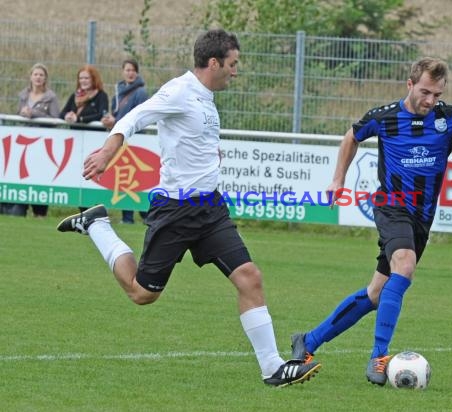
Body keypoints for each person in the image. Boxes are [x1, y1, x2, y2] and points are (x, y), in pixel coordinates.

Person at [56, 29, 321, 387]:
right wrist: (107, 153)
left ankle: (272, 367)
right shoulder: (178, 91)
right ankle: (97, 225)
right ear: (214, 63)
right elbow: (133, 118)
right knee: (142, 293)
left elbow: (194, 141)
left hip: (210, 210)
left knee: (250, 277)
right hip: (176, 211)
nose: (235, 71)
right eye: (233, 64)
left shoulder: (207, 97)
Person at [290, 57, 452, 386]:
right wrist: (338, 180)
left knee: (377, 293)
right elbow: (351, 136)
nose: (430, 100)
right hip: (391, 206)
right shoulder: (385, 117)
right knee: (404, 265)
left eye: (436, 94)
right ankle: (380, 356)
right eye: (424, 92)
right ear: (409, 85)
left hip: (422, 219)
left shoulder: (450, 118)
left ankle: (308, 341)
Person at [1, 63, 60, 217]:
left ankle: (40, 212)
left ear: (45, 78)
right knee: (23, 174)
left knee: (40, 175)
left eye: (41, 75)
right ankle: (20, 207)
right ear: (30, 76)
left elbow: (55, 119)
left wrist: (34, 113)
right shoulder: (23, 95)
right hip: (23, 143)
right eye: (35, 74)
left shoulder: (51, 97)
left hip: (42, 143)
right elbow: (18, 115)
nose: (38, 77)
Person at [101, 58, 149, 224]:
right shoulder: (118, 91)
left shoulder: (141, 93)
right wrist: (110, 120)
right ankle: (128, 217)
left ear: (137, 73)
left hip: (135, 140)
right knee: (124, 179)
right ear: (123, 71)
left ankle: (145, 216)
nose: (130, 73)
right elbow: (117, 114)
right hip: (122, 140)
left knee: (137, 180)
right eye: (127, 70)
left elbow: (139, 118)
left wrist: (116, 123)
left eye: (133, 70)